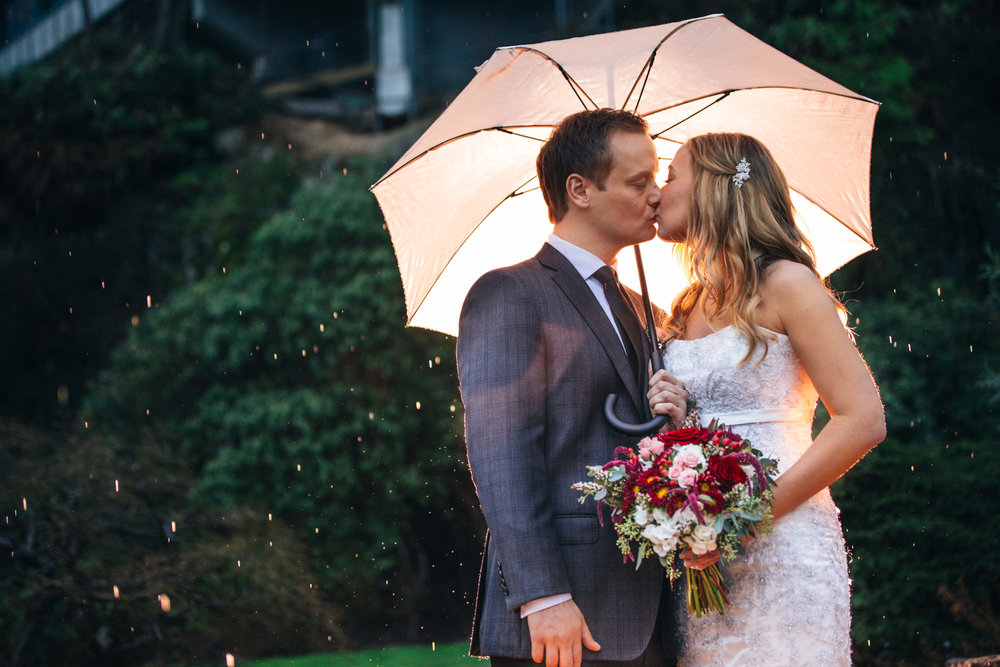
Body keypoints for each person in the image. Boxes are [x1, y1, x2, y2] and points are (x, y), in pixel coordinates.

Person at [457, 109, 688, 667]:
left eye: (657, 179)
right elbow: (502, 454)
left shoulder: (646, 308)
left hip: (650, 609)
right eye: (639, 183)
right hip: (563, 619)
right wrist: (543, 595)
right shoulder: (509, 293)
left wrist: (675, 414)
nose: (656, 196)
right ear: (580, 190)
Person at [647, 132, 886, 666]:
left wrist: (748, 520)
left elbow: (863, 419)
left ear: (714, 188)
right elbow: (704, 426)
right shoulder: (684, 307)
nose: (658, 193)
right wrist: (676, 415)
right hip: (705, 557)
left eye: (670, 176)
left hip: (784, 545)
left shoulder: (788, 284)